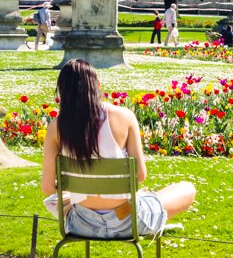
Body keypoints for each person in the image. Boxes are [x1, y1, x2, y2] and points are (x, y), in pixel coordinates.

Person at [41, 59, 195, 239]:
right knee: (187, 188)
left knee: (65, 200)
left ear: (62, 92)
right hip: (129, 221)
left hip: (81, 224)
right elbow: (140, 175)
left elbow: (48, 188)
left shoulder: (56, 127)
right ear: (97, 85)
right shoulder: (124, 117)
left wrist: (83, 187)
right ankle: (153, 220)